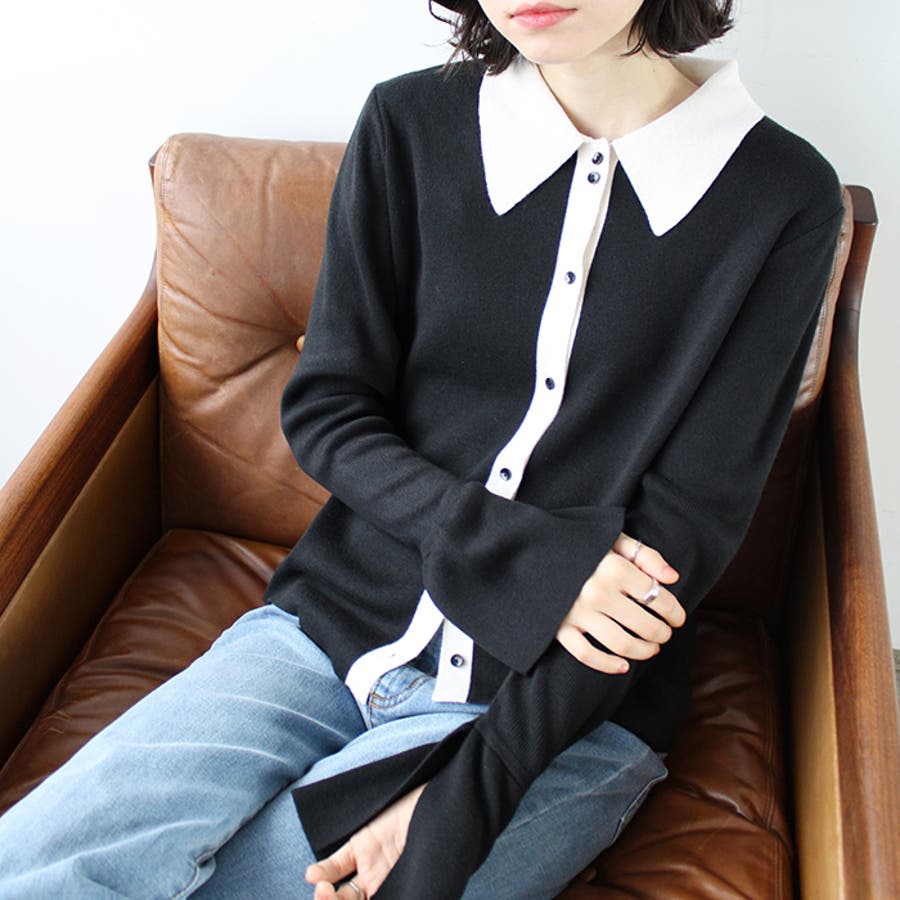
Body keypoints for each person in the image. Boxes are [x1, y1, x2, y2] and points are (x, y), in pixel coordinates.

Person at [0, 1, 844, 898]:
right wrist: (532, 563)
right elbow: (328, 409)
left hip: (554, 708)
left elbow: (677, 544)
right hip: (326, 634)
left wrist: (466, 797)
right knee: (34, 865)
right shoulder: (409, 125)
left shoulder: (782, 197)